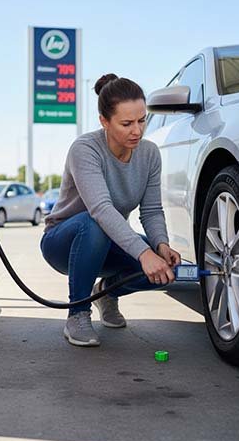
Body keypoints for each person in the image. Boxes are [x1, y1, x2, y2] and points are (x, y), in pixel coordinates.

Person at [40, 73, 181, 347]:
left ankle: (104, 292)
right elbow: (101, 209)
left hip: (109, 242)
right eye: (126, 123)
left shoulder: (149, 154)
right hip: (64, 243)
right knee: (95, 225)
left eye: (142, 120)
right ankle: (78, 314)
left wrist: (161, 247)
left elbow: (151, 210)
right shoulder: (85, 149)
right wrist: (143, 253)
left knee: (164, 273)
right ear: (105, 121)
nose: (137, 131)